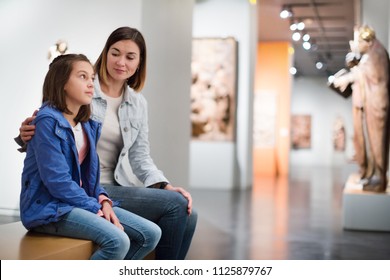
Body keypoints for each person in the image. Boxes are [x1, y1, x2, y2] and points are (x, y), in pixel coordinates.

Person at [16, 26, 197, 259]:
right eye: (115, 53)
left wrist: (164, 185)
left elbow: (140, 157)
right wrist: (24, 135)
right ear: (106, 53)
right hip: (86, 188)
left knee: (186, 210)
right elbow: (50, 128)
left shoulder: (137, 103)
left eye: (130, 57)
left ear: (139, 63)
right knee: (174, 207)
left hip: (109, 188)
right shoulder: (84, 92)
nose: (121, 62)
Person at [20, 53, 161, 260]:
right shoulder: (47, 120)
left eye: (92, 78)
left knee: (150, 234)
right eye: (82, 77)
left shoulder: (87, 124)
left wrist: (103, 201)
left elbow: (90, 178)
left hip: (76, 202)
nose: (90, 84)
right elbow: (57, 182)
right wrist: (94, 207)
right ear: (62, 82)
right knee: (118, 240)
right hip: (48, 209)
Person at [332, 25, 390, 192]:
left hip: (377, 104)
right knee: (371, 142)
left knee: (377, 141)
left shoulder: (376, 54)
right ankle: (375, 176)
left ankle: (379, 179)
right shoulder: (371, 54)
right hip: (372, 104)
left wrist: (349, 76)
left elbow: (369, 74)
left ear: (369, 42)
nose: (357, 45)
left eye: (359, 41)